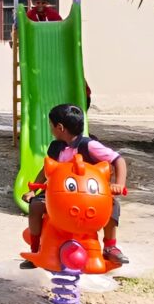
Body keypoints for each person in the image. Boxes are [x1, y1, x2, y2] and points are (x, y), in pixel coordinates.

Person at [20, 104, 129, 269]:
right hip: (60, 196)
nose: (50, 129)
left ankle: (110, 246)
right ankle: (36, 249)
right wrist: (33, 190)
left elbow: (118, 160)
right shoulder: (56, 147)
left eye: (51, 125)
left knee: (112, 206)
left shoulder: (89, 145)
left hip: (88, 196)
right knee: (36, 206)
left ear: (60, 127)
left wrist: (119, 184)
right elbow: (45, 170)